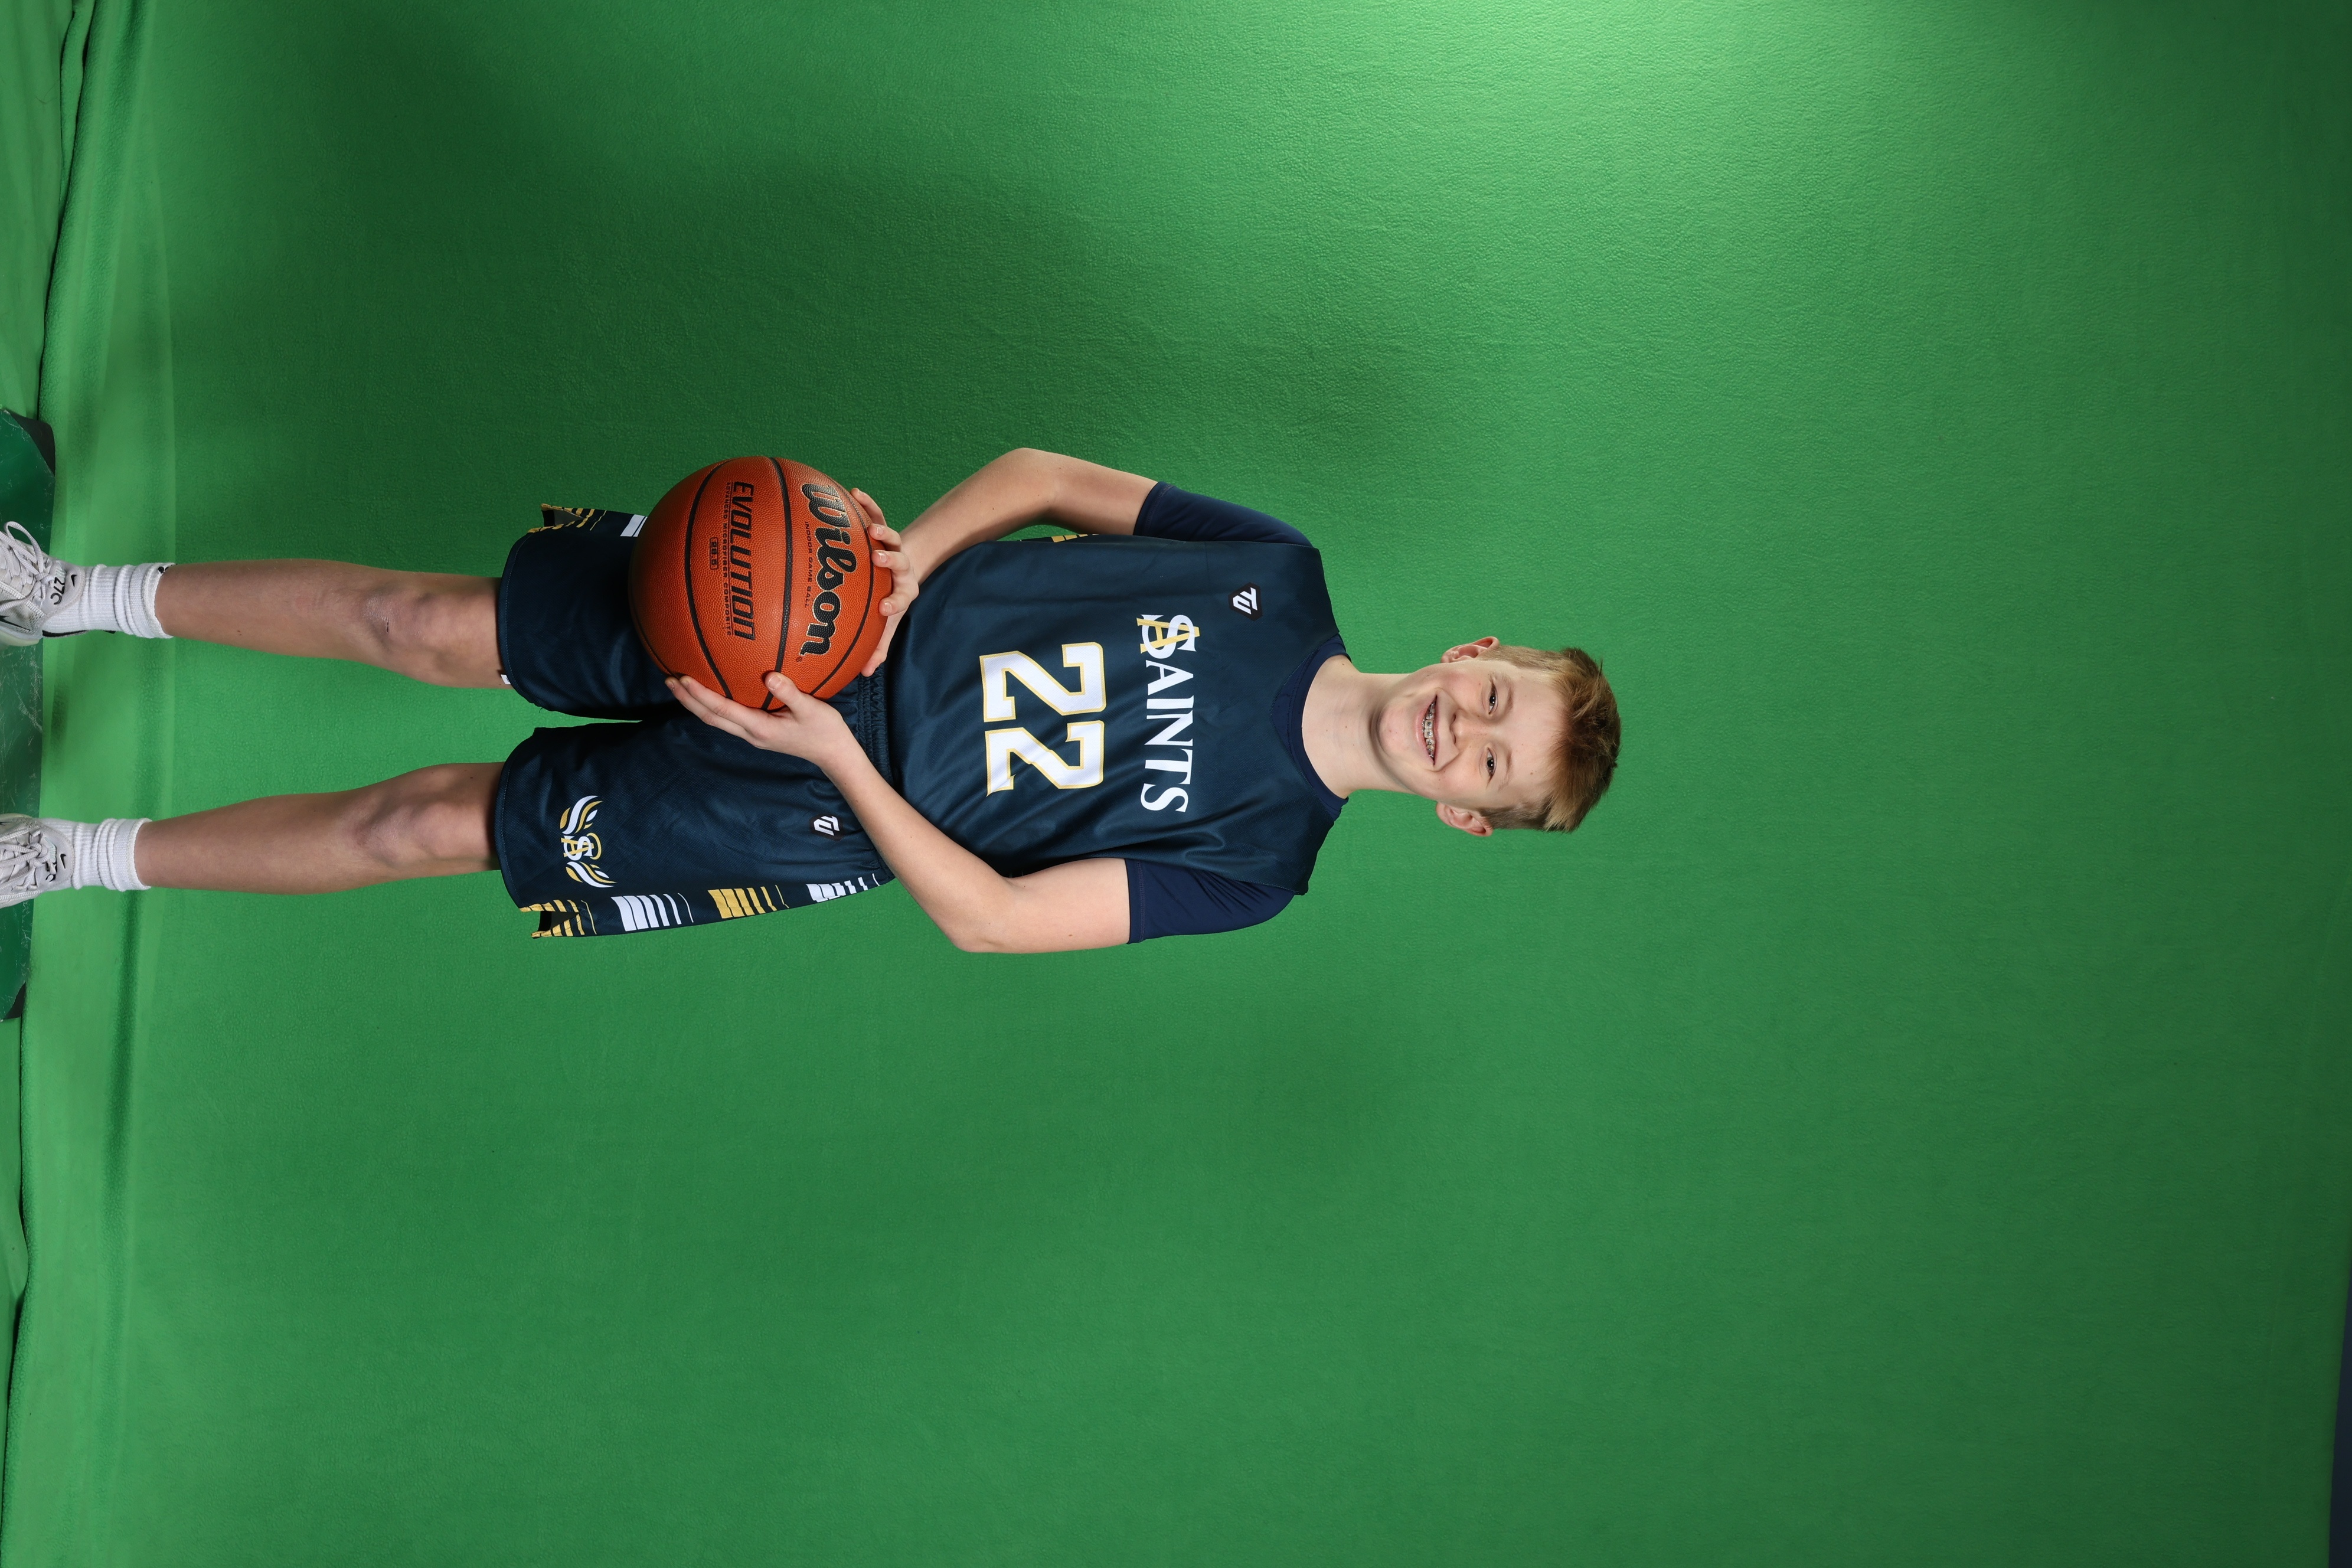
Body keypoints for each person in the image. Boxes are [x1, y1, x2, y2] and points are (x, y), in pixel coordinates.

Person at [0, 450, 1620, 951]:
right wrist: (906, 569)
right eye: (1496, 695)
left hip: (809, 798)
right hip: (807, 612)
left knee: (419, 824)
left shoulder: (1257, 867)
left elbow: (995, 919)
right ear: (1475, 649)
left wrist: (837, 754)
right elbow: (1049, 477)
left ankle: (61, 858)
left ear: (1466, 816)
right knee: (418, 620)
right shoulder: (1275, 570)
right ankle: (64, 596)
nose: (1466, 728)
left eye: (1493, 763)